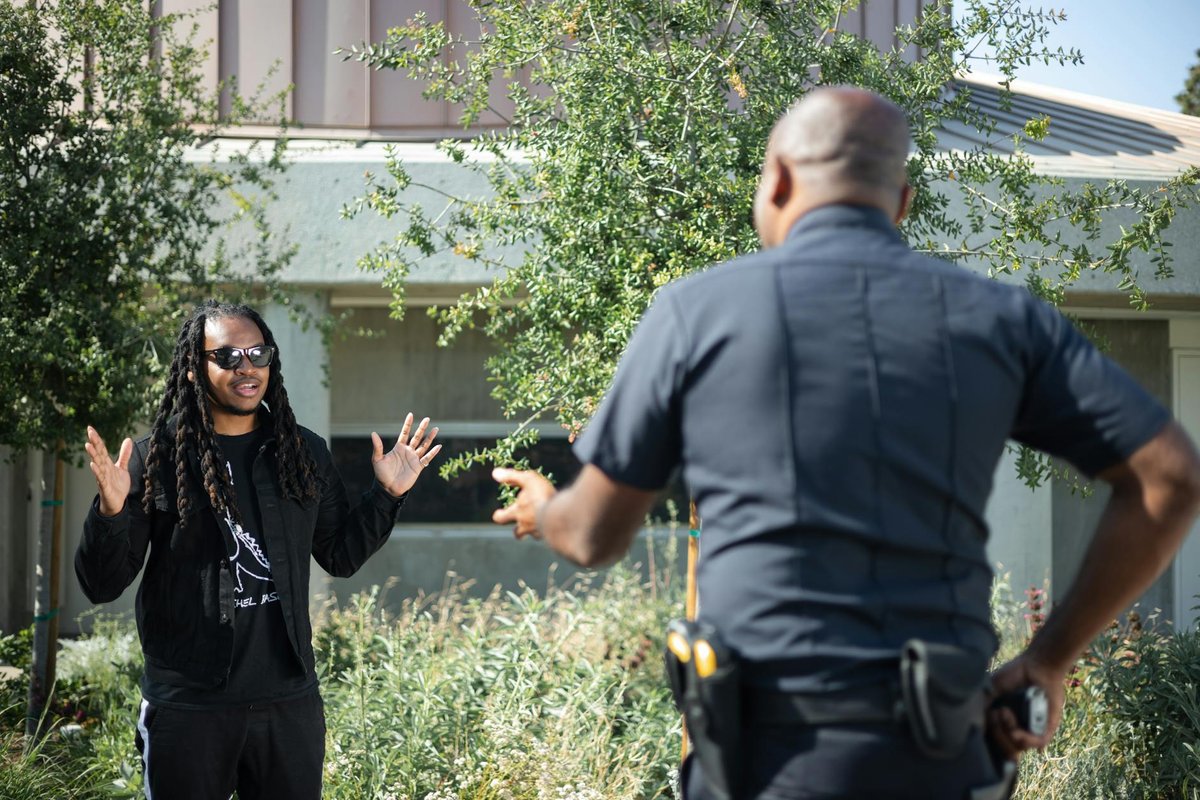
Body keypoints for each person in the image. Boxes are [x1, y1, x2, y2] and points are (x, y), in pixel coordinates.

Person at [490, 87, 1200, 799]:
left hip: (759, 769)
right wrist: (1049, 660)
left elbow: (591, 537)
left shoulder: (695, 314)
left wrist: (543, 507)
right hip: (941, 764)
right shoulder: (1003, 320)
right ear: (901, 202)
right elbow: (1170, 478)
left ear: (779, 181)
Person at [75, 300, 442, 800]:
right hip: (190, 707)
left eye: (257, 353)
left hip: (287, 704)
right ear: (193, 368)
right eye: (227, 357)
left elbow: (340, 555)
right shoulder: (156, 459)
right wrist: (112, 512)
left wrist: (387, 495)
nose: (246, 367)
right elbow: (101, 584)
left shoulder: (303, 452)